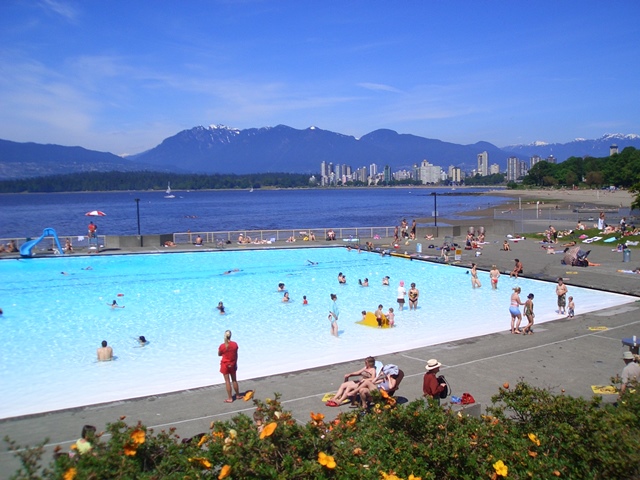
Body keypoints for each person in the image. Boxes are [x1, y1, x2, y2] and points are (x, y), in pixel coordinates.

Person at [218, 330, 241, 403]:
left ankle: (230, 398)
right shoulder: (234, 344)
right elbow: (236, 354)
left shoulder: (222, 346)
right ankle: (237, 395)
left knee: (227, 381)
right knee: (234, 380)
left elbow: (219, 354)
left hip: (225, 364)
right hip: (233, 363)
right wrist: (236, 363)